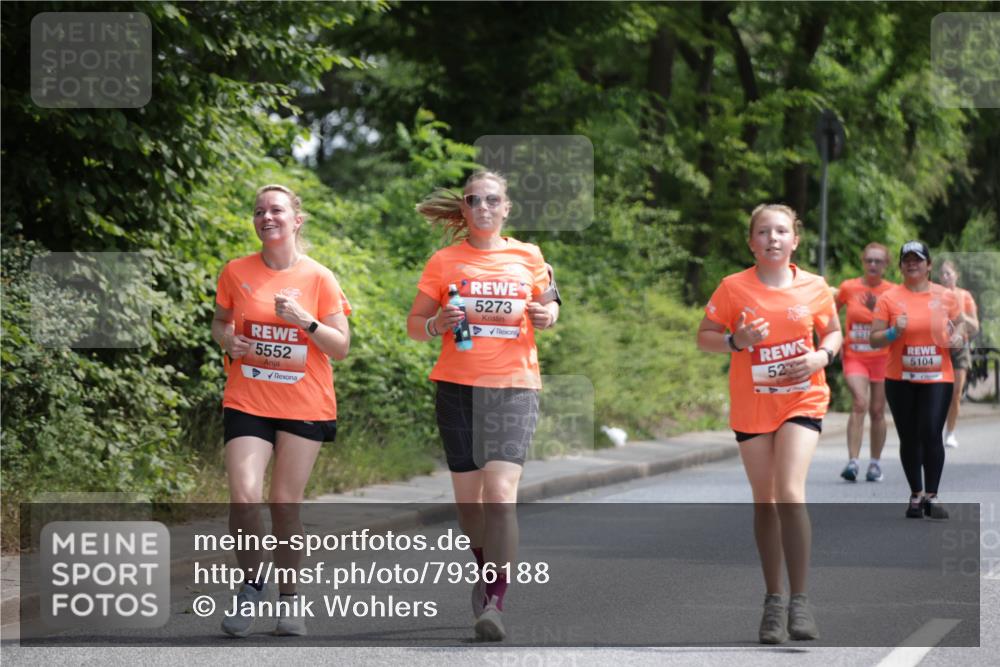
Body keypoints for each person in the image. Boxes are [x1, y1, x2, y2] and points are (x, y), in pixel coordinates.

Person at [407, 171, 559, 641]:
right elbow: (414, 324)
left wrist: (546, 313)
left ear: (506, 207)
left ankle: (496, 599)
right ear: (466, 209)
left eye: (492, 200)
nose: (483, 207)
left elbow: (552, 306)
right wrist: (436, 323)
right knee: (469, 505)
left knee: (499, 493)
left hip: (514, 386)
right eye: (474, 200)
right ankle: (486, 567)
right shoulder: (445, 261)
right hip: (457, 387)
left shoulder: (528, 256)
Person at [697, 203, 842, 645]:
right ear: (751, 241)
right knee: (765, 500)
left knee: (789, 491)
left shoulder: (815, 287)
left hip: (803, 397)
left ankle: (801, 600)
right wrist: (735, 341)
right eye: (763, 232)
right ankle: (773, 599)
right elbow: (704, 338)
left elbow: (833, 331)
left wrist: (822, 355)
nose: (773, 238)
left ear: (795, 240)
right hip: (753, 405)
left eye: (781, 231)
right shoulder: (732, 287)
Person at [211, 184, 351, 637]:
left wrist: (304, 322)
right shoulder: (236, 271)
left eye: (276, 210)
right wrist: (228, 340)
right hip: (248, 398)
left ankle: (290, 599)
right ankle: (252, 587)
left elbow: (341, 346)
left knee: (284, 504)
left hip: (304, 402)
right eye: (258, 211)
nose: (266, 217)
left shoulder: (319, 278)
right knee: (245, 494)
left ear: (296, 220)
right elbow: (220, 321)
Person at [871, 242, 966, 520]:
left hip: (938, 376)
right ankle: (916, 494)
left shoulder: (945, 296)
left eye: (918, 259)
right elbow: (873, 338)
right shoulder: (889, 298)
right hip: (900, 377)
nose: (912, 264)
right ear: (901, 266)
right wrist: (892, 332)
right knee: (909, 436)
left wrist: (958, 336)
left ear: (929, 265)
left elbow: (960, 324)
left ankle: (932, 497)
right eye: (907, 260)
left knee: (930, 432)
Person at [834, 243, 895, 482]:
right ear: (863, 261)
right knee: (860, 402)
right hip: (855, 355)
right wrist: (835, 336)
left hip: (883, 358)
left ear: (886, 265)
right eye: (869, 260)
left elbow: (900, 326)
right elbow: (829, 311)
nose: (872, 265)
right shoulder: (849, 287)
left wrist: (876, 309)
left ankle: (875, 464)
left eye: (878, 261)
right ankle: (852, 462)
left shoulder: (892, 292)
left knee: (878, 411)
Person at [939, 259, 980, 448]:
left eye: (949, 273)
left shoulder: (965, 296)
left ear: (956, 275)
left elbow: (975, 326)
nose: (945, 277)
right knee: (939, 393)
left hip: (960, 349)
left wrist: (962, 317)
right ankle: (934, 429)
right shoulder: (935, 295)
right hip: (939, 349)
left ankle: (951, 432)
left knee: (955, 392)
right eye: (942, 274)